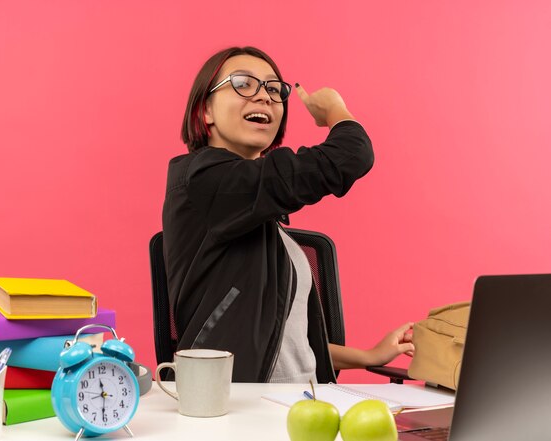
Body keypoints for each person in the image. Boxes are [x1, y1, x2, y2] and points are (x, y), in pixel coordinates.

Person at [162, 46, 414, 383]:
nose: (264, 97)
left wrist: (369, 356)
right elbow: (351, 155)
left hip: (304, 406)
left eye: (273, 88)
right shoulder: (205, 181)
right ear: (205, 109)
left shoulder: (260, 220)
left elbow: (284, 343)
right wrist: (335, 111)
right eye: (243, 84)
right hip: (240, 410)